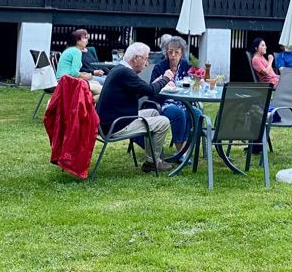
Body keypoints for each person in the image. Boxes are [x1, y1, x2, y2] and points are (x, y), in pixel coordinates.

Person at [95, 42, 174, 173]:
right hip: (116, 126)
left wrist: (155, 83)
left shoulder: (119, 69)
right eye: (145, 58)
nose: (147, 63)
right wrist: (166, 78)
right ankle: (152, 163)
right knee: (163, 121)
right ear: (136, 58)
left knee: (153, 112)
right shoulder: (126, 73)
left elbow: (142, 91)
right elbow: (151, 91)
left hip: (110, 121)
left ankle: (153, 158)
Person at [150, 36, 194, 157]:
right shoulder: (160, 67)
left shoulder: (186, 66)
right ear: (166, 52)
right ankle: (181, 153)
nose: (173, 55)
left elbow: (190, 84)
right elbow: (152, 89)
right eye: (170, 52)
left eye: (176, 52)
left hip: (183, 101)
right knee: (178, 112)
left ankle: (184, 149)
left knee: (195, 113)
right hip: (163, 102)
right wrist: (163, 82)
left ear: (182, 53)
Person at [56, 29, 103, 95]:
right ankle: (79, 104)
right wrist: (86, 76)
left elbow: (71, 71)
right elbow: (74, 73)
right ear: (77, 41)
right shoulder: (76, 51)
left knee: (97, 84)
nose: (87, 40)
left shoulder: (70, 49)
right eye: (85, 38)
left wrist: (83, 73)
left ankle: (83, 103)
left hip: (62, 81)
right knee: (102, 90)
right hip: (67, 83)